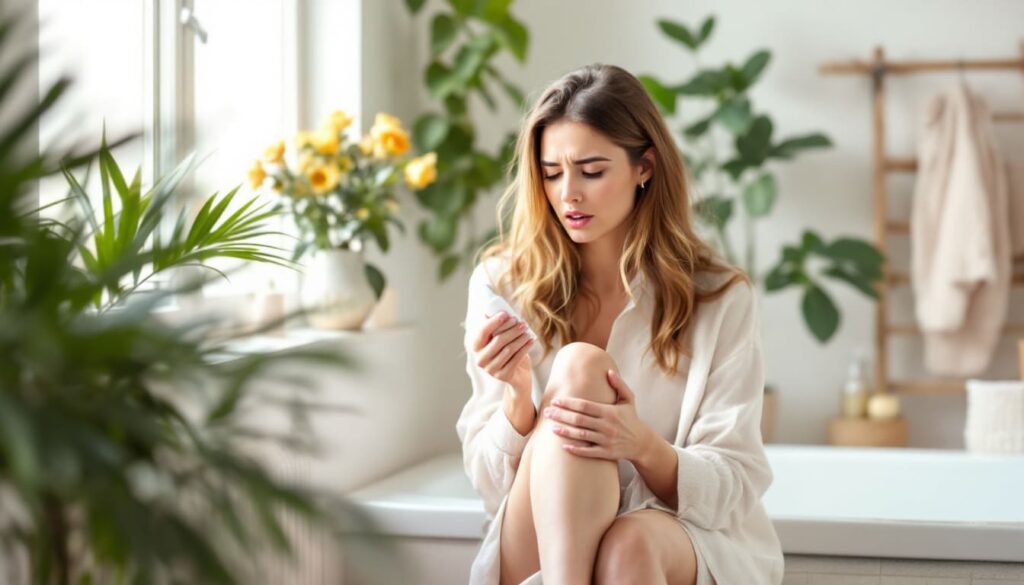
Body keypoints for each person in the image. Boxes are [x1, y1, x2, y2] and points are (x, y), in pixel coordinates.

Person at [456, 63, 784, 585]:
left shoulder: (718, 297)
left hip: (672, 534)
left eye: (591, 171)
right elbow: (491, 489)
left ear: (644, 167)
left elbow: (734, 483)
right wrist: (518, 400)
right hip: (539, 538)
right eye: (551, 173)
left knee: (627, 545)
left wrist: (640, 445)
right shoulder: (502, 283)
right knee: (579, 368)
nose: (568, 194)